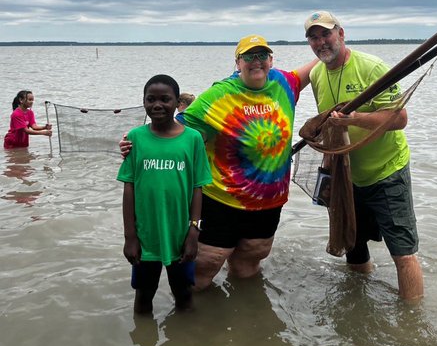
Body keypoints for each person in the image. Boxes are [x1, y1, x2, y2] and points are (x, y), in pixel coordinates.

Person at [304, 11, 424, 300]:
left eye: (326, 34)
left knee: (403, 252)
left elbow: (399, 119)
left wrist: (354, 119)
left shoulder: (371, 67)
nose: (321, 42)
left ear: (341, 34)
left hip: (386, 171)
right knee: (353, 246)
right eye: (314, 37)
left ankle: (413, 323)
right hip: (348, 176)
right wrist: (328, 170)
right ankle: (358, 305)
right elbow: (330, 129)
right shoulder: (317, 74)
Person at [180, 36, 317, 289]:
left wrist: (333, 46)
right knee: (203, 268)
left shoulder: (283, 82)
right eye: (249, 56)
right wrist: (139, 144)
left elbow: (316, 64)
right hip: (221, 200)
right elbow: (178, 132)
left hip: (268, 202)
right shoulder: (219, 94)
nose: (256, 62)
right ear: (237, 63)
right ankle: (191, 322)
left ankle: (247, 318)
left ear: (271, 60)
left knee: (248, 265)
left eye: (262, 55)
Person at [118, 75, 211, 315]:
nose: (157, 105)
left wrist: (194, 231)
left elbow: (197, 188)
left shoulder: (193, 139)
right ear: (143, 102)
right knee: (143, 295)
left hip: (180, 236)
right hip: (145, 236)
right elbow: (128, 187)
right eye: (151, 99)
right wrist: (130, 236)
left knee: (184, 295)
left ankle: (185, 343)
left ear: (176, 102)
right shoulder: (135, 138)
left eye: (165, 99)